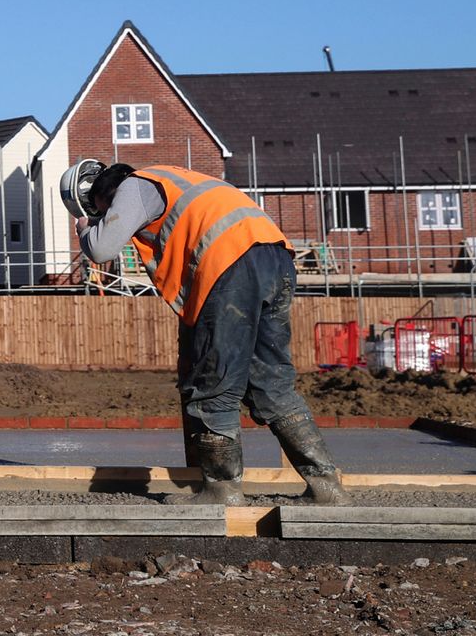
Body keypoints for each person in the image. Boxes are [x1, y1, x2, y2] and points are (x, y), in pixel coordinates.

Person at [60, 160, 350, 506]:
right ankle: (327, 487)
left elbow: (101, 249)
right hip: (274, 258)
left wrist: (84, 228)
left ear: (96, 199)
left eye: (100, 213)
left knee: (214, 383)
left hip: (229, 264)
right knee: (271, 384)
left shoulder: (133, 188)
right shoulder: (176, 178)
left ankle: (222, 490)